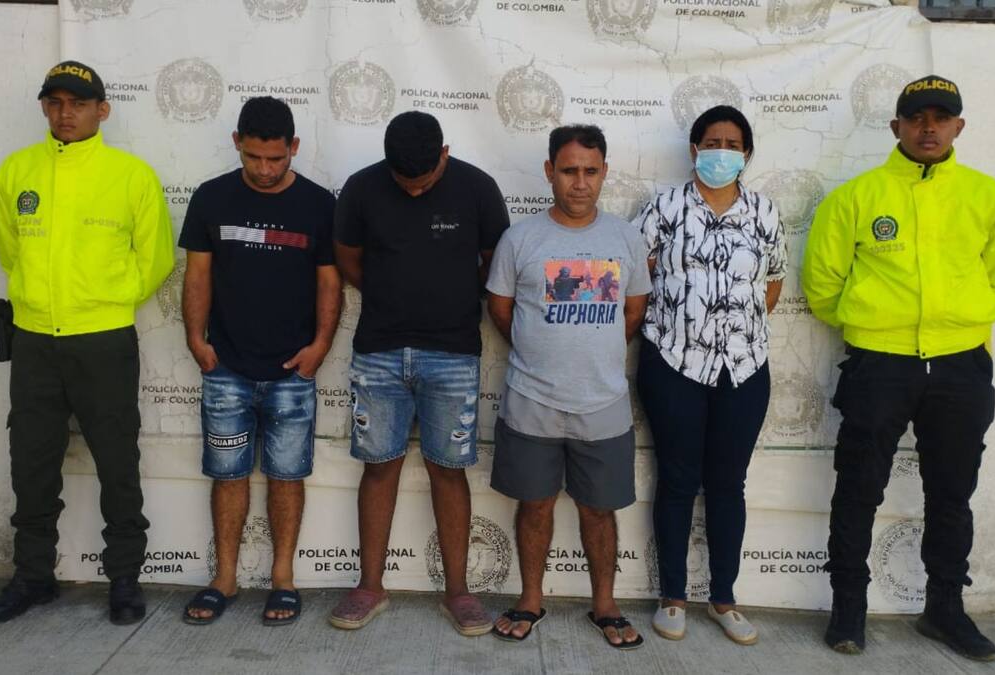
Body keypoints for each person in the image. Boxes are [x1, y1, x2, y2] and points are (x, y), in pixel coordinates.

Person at [802, 75, 995, 661]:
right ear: (895, 126)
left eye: (941, 118)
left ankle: (944, 609)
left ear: (958, 127)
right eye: (917, 117)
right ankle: (848, 608)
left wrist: (960, 323)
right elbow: (822, 284)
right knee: (858, 488)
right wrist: (875, 325)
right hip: (880, 364)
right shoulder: (856, 197)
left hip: (960, 366)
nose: (929, 128)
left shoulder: (987, 196)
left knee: (952, 493)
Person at [0, 61, 175, 625]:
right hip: (34, 342)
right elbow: (10, 251)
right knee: (31, 464)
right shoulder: (17, 170)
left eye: (79, 104)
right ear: (45, 107)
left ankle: (124, 579)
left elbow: (156, 260)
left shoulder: (131, 176)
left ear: (102, 110)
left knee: (117, 463)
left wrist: (106, 300)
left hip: (103, 342)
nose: (66, 114)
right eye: (56, 102)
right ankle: (33, 577)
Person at [330, 111, 509, 635]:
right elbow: (347, 257)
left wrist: (451, 295)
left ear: (444, 155)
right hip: (379, 352)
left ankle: (459, 593)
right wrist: (390, 294)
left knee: (448, 470)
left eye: (424, 183)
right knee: (378, 467)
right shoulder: (362, 188)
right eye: (403, 182)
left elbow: (495, 263)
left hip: (453, 353)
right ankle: (369, 587)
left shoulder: (478, 189)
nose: (413, 191)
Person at [487, 124, 651, 650]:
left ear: (604, 173)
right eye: (568, 171)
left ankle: (605, 605)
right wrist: (540, 355)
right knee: (534, 505)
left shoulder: (626, 239)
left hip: (603, 403)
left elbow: (633, 312)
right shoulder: (520, 240)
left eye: (590, 171)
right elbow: (501, 310)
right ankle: (530, 599)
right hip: (531, 401)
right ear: (549, 172)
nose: (580, 183)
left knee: (598, 510)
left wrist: (590, 357)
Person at [177, 97, 340, 627]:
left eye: (276, 158)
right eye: (253, 157)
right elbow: (197, 274)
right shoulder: (211, 197)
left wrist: (320, 346)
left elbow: (329, 281)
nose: (265, 170)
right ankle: (224, 578)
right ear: (237, 144)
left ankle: (283, 580)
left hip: (293, 370)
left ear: (294, 148)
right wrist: (195, 340)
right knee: (227, 476)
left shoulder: (319, 204)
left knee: (287, 477)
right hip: (225, 367)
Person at [632, 105, 786, 646]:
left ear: (747, 153)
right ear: (695, 149)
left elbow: (772, 282)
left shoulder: (764, 212)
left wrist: (734, 331)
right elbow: (636, 275)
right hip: (673, 362)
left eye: (733, 144)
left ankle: (724, 598)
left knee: (728, 484)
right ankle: (672, 596)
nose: (723, 151)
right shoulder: (664, 208)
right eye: (713, 142)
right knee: (677, 480)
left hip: (744, 368)